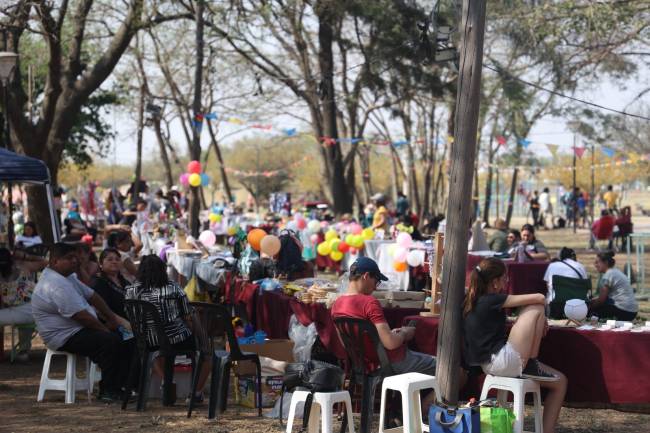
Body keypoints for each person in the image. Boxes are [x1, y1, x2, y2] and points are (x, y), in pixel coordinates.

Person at [463, 258, 567, 433]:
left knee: (561, 382)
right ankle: (531, 363)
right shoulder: (491, 299)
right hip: (502, 361)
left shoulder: (474, 299)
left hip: (492, 363)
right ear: (495, 282)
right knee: (536, 307)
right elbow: (540, 297)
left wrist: (536, 322)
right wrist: (539, 318)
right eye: (505, 279)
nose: (506, 282)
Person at [31, 242, 131, 402]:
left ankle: (123, 385)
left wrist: (112, 318)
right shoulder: (55, 285)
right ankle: (108, 391)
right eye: (69, 258)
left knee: (126, 337)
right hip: (63, 336)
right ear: (55, 261)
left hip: (77, 329)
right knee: (110, 341)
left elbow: (92, 296)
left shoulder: (68, 277)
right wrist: (104, 330)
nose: (74, 261)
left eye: (75, 258)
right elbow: (82, 317)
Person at [331, 257, 437, 378]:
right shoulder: (369, 302)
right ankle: (434, 398)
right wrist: (404, 334)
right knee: (448, 370)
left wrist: (382, 336)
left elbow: (346, 344)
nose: (376, 287)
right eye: (376, 281)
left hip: (364, 365)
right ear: (366, 276)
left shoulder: (336, 304)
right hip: (389, 363)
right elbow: (390, 343)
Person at [125, 255, 211, 403]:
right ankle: (195, 394)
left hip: (147, 341)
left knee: (154, 351)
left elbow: (129, 314)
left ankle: (166, 381)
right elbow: (188, 315)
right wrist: (200, 337)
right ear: (163, 270)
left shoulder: (131, 290)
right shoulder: (173, 287)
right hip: (177, 339)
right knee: (208, 355)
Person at [0, 248, 48, 361]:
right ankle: (23, 351)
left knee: (19, 315)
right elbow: (46, 262)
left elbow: (48, 262)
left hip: (29, 309)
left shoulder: (23, 266)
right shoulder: (24, 265)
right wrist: (26, 257)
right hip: (30, 309)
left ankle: (23, 350)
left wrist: (25, 257)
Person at [590, 251, 638, 320]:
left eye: (597, 262)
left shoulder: (608, 275)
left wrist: (590, 307)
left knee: (592, 313)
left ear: (605, 262)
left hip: (624, 311)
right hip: (632, 310)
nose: (595, 265)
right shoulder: (615, 271)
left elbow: (601, 300)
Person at [93, 248, 131, 318]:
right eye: (110, 259)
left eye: (117, 259)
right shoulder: (98, 283)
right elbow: (103, 311)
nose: (114, 262)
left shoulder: (125, 282)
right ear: (101, 264)